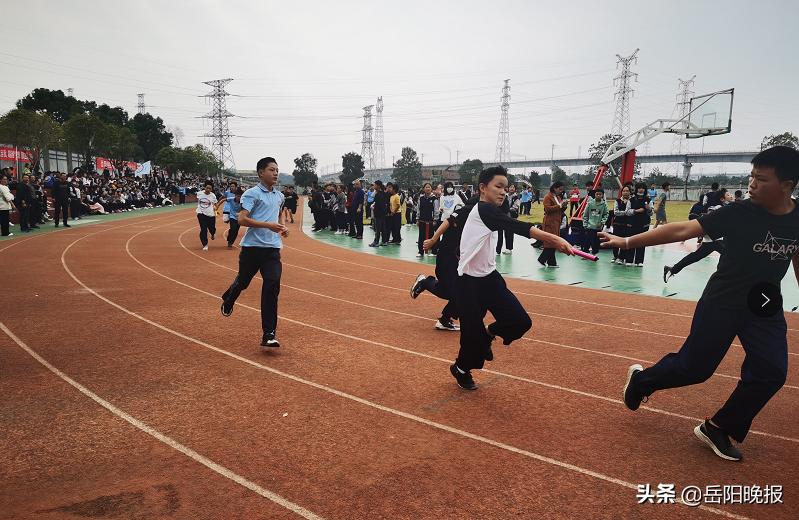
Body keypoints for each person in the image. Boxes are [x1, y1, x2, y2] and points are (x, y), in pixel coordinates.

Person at [603, 146, 799, 461]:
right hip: (722, 301)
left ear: (787, 186)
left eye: (761, 179)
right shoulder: (738, 212)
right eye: (751, 176)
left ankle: (719, 427)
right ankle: (642, 381)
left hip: (765, 305)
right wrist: (626, 242)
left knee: (772, 372)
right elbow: (683, 228)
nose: (751, 184)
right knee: (694, 369)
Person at [449, 166, 573, 390]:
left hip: (490, 279)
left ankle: (489, 333)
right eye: (498, 187)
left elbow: (511, 221)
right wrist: (554, 239)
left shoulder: (493, 209)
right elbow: (518, 227)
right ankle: (460, 368)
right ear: (482, 188)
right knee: (471, 341)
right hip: (468, 284)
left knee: (520, 322)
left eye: (505, 188)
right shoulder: (484, 211)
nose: (503, 192)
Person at [221, 157, 288, 349]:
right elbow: (242, 219)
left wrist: (281, 227)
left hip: (272, 250)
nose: (275, 173)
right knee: (243, 281)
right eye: (271, 170)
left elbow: (278, 214)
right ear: (260, 173)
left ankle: (269, 333)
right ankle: (230, 296)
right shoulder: (252, 194)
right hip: (252, 248)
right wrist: (268, 225)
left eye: (277, 169)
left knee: (272, 286)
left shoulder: (279, 195)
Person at [410, 195, 473, 331]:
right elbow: (447, 221)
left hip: (460, 258)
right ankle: (426, 284)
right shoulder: (469, 210)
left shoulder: (486, 213)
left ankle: (445, 317)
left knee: (459, 290)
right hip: (448, 256)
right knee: (457, 291)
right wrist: (433, 240)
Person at [664, 189, 731, 282]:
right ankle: (724, 278)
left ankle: (672, 269)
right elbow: (709, 221)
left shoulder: (724, 207)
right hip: (715, 239)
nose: (731, 196)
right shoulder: (716, 208)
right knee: (730, 256)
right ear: (722, 199)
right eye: (728, 195)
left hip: (712, 240)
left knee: (695, 257)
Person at [538, 181, 568, 267]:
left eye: (562, 189)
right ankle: (542, 259)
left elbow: (560, 210)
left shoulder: (558, 197)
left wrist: (564, 206)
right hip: (550, 222)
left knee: (553, 242)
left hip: (556, 222)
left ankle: (551, 263)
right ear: (555, 188)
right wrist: (560, 206)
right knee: (551, 242)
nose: (561, 191)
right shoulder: (548, 197)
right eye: (560, 189)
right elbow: (547, 209)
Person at [196, 181, 225, 251]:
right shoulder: (199, 194)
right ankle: (205, 244)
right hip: (201, 214)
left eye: (210, 188)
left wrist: (216, 209)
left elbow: (216, 204)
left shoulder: (213, 196)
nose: (208, 189)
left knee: (212, 228)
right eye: (207, 188)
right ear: (204, 187)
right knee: (203, 229)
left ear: (211, 189)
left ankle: (212, 233)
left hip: (211, 214)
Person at [629, 182, 651, 266]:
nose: (641, 189)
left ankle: (639, 261)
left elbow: (651, 213)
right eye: (639, 188)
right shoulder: (632, 199)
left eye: (643, 188)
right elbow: (627, 211)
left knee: (642, 242)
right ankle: (630, 260)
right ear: (636, 189)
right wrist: (636, 211)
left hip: (644, 224)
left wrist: (648, 209)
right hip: (633, 223)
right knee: (632, 241)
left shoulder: (648, 200)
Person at [583, 188, 609, 255]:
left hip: (598, 227)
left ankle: (595, 253)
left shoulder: (604, 205)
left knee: (596, 241)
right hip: (589, 226)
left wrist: (602, 222)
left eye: (600, 194)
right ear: (595, 194)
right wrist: (585, 224)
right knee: (587, 241)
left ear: (602, 195)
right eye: (597, 194)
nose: (598, 195)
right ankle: (585, 253)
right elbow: (585, 215)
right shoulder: (590, 203)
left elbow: (606, 214)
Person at [416, 183, 435, 258]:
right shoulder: (421, 198)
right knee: (421, 236)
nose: (427, 188)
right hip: (422, 221)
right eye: (426, 187)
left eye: (429, 187)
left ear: (431, 189)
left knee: (432, 236)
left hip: (431, 221)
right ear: (424, 189)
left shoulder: (434, 199)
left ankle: (433, 251)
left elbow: (436, 210)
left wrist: (435, 220)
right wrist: (417, 219)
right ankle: (420, 252)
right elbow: (418, 209)